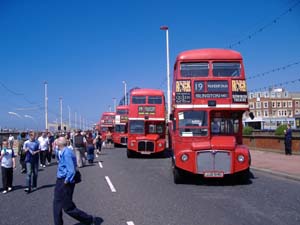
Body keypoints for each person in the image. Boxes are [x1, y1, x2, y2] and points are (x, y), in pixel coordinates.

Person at [53, 137, 95, 225]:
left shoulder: (67, 153)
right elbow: (55, 151)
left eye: (58, 139)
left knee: (68, 207)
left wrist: (66, 181)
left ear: (61, 143)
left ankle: (88, 219)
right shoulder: (61, 151)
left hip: (65, 181)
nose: (56, 140)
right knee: (56, 205)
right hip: (60, 179)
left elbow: (71, 170)